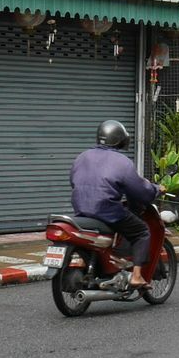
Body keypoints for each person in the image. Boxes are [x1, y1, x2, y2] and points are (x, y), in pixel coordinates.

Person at [70, 119, 161, 290]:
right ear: (120, 139)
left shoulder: (82, 156)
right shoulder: (122, 162)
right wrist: (155, 189)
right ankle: (136, 276)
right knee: (141, 231)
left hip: (81, 210)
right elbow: (141, 190)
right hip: (106, 212)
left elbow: (73, 181)